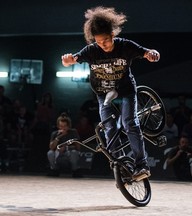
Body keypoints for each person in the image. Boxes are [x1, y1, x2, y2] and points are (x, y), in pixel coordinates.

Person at [61, 6, 160, 180]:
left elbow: (147, 52)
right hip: (103, 94)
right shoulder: (91, 51)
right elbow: (73, 60)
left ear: (113, 35)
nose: (103, 45)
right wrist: (68, 61)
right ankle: (118, 164)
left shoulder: (125, 46)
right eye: (99, 42)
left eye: (106, 40)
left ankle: (142, 165)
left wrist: (152, 54)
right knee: (109, 127)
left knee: (130, 123)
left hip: (125, 91)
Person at [47, 113, 82, 178]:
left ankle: (75, 171)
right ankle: (54, 170)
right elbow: (51, 147)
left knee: (74, 153)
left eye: (65, 126)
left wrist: (66, 148)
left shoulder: (73, 132)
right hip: (58, 155)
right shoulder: (55, 133)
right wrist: (58, 137)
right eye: (61, 126)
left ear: (68, 126)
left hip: (69, 154)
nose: (63, 128)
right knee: (50, 153)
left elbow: (78, 147)